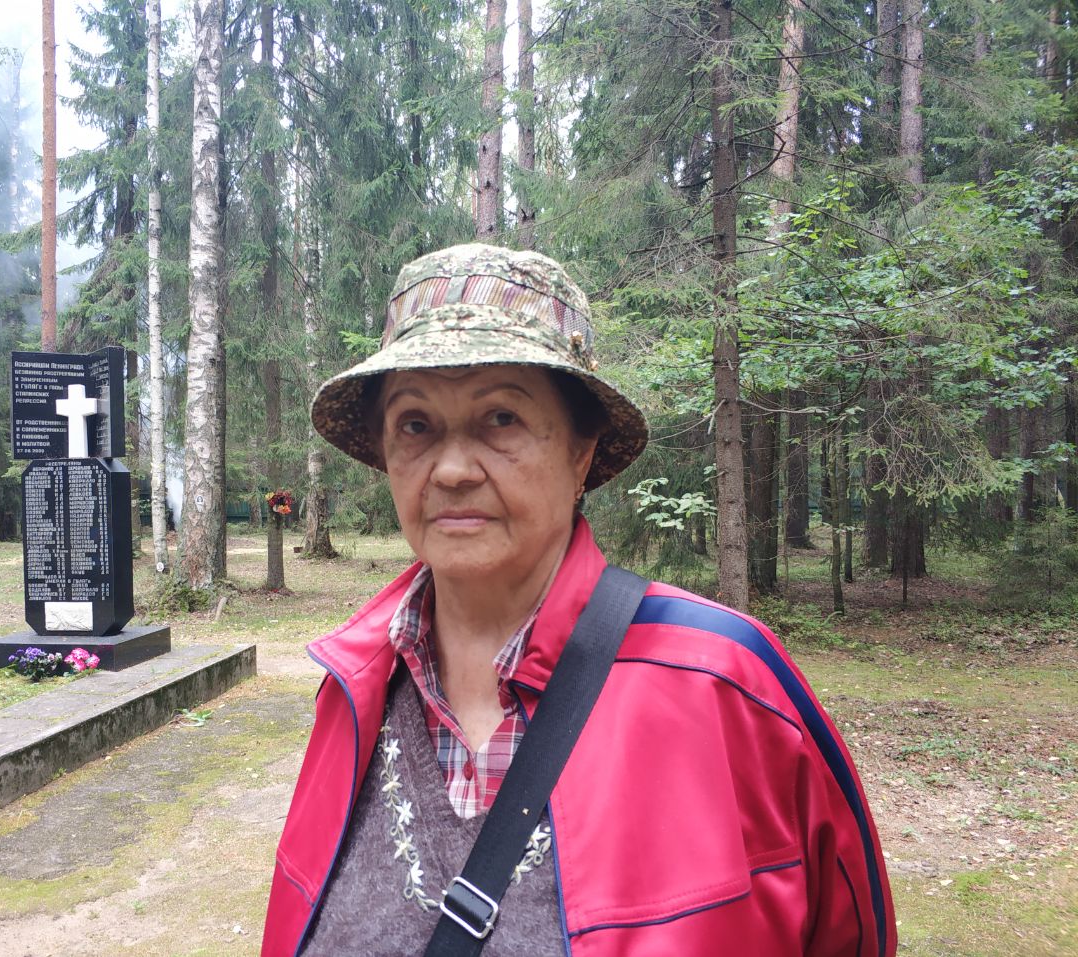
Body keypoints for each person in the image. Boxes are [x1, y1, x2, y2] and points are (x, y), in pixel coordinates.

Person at [262, 244, 895, 956]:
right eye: (416, 424)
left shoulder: (728, 687)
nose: (452, 468)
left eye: (501, 417)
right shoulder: (353, 687)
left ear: (581, 451)